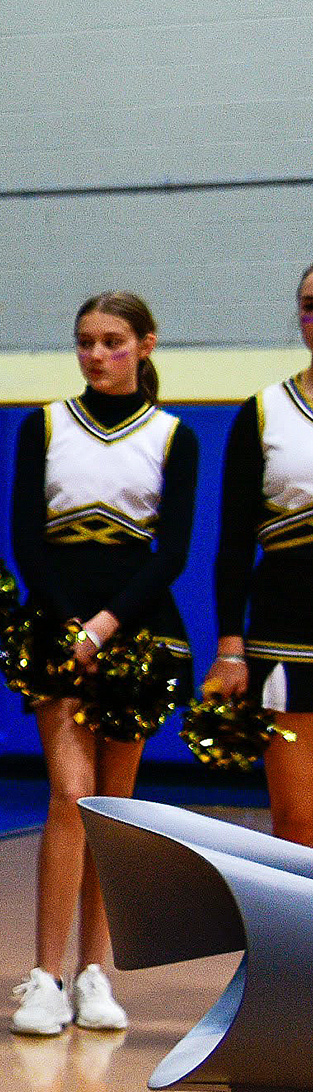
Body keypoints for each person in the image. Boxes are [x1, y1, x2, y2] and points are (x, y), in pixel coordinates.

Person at [11, 290, 195, 1039]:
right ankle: (44, 978)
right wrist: (71, 630)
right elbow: (27, 540)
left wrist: (107, 627)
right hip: (58, 630)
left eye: (112, 341)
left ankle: (94, 972)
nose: (96, 354)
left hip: (137, 632)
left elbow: (172, 551)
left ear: (145, 344)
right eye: (85, 341)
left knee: (113, 811)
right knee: (70, 798)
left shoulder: (174, 435)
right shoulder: (44, 424)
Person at [204, 260, 313, 847]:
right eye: (310, 306)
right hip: (286, 633)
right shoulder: (265, 410)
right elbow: (233, 542)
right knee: (297, 819)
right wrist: (230, 647)